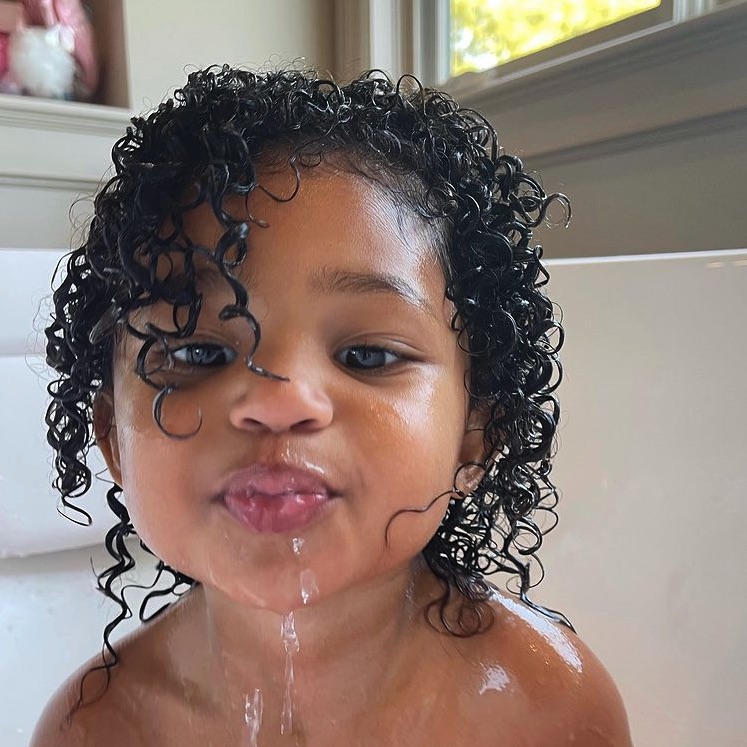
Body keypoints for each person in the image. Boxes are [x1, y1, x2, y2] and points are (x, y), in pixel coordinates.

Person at [32, 65, 633, 746]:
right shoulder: (98, 729)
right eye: (198, 354)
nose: (277, 401)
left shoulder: (542, 706)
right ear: (113, 438)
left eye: (367, 356)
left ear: (474, 431)